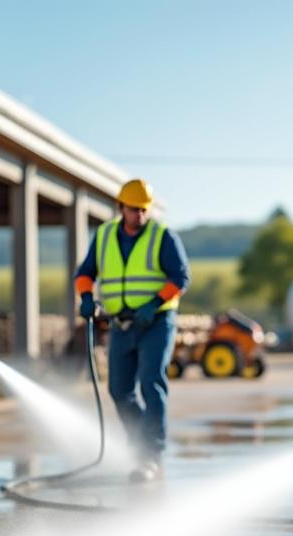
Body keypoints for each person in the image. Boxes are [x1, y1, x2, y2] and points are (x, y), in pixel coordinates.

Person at [74, 179, 190, 482]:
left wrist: (154, 303)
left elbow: (180, 278)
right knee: (119, 389)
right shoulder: (104, 235)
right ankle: (142, 443)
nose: (137, 215)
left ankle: (151, 455)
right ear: (120, 207)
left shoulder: (163, 236)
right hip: (121, 324)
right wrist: (86, 298)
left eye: (142, 210)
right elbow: (85, 273)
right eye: (132, 209)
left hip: (156, 322)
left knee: (151, 384)